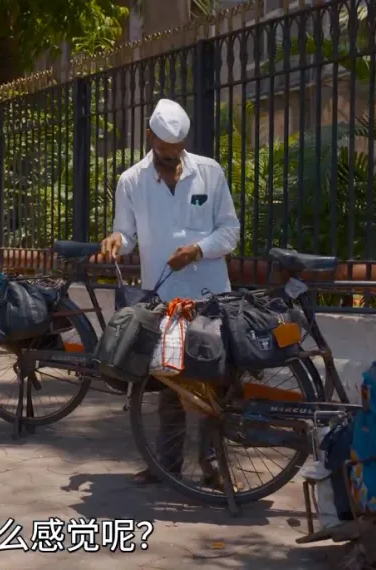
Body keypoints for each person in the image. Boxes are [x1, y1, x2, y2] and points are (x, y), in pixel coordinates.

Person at [99, 98, 240, 487]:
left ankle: (213, 462)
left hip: (209, 293)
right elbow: (125, 234)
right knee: (167, 379)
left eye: (176, 153)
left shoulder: (210, 173)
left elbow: (230, 232)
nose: (170, 161)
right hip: (162, 297)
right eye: (163, 152)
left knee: (214, 380)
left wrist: (197, 249)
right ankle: (166, 465)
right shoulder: (131, 181)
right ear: (149, 138)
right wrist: (116, 239)